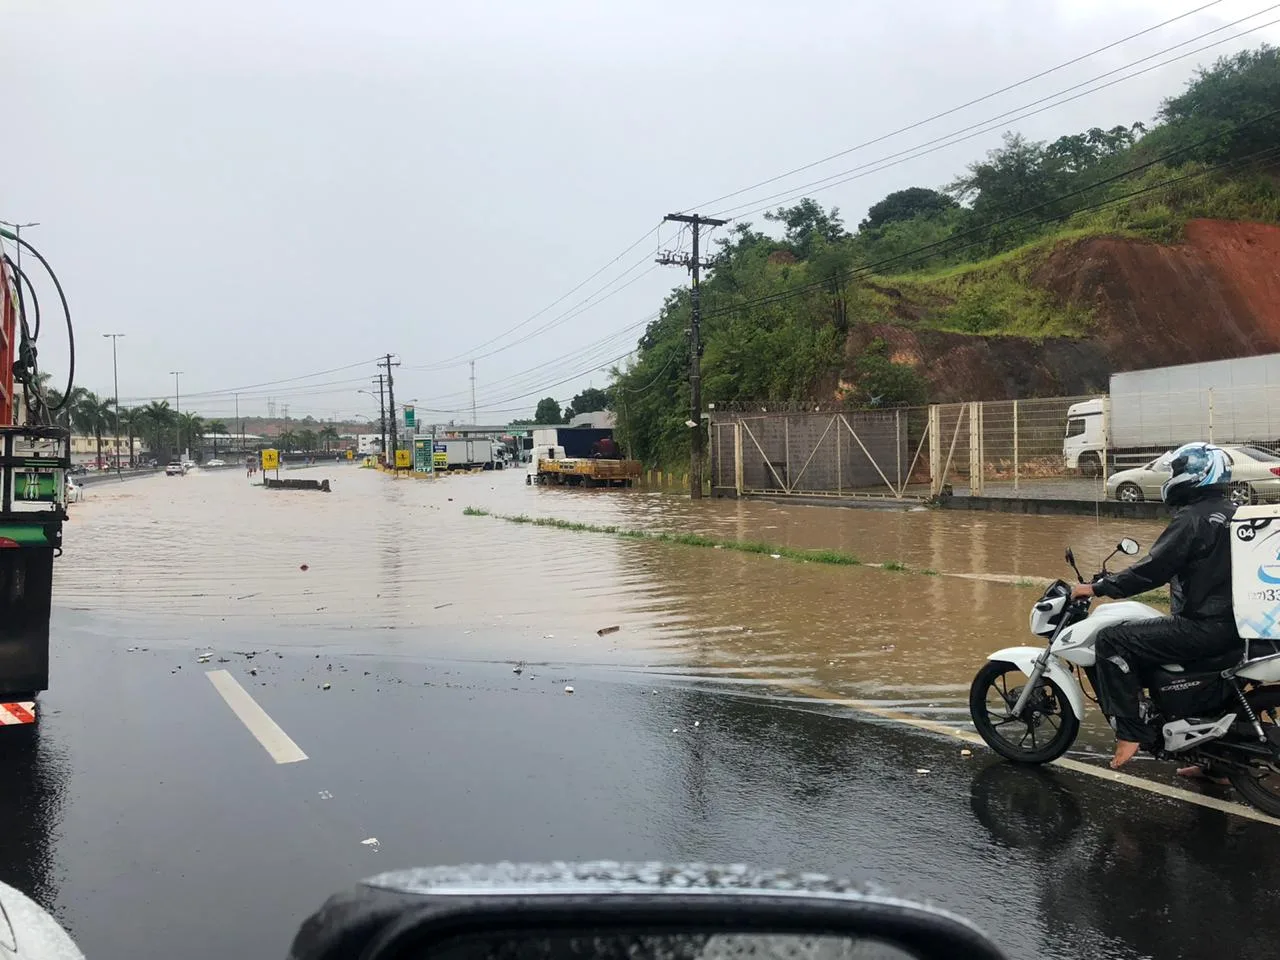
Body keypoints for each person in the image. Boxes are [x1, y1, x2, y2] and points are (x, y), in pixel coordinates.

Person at [1070, 442, 1242, 771]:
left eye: (1177, 471)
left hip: (1204, 626)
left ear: (1196, 476)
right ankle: (1218, 766)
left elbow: (1153, 570)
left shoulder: (1193, 519)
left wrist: (1097, 587)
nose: (1173, 478)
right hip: (1239, 625)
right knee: (1213, 685)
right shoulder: (1236, 513)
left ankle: (1130, 732)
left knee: (1111, 640)